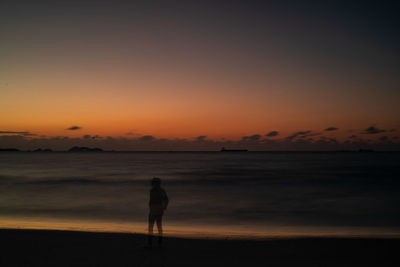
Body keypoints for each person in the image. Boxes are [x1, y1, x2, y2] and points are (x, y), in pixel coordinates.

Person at [148, 177, 169, 247]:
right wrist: (164, 207)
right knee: (155, 227)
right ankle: (154, 243)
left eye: (153, 183)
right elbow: (166, 199)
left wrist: (164, 207)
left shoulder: (159, 191)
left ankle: (156, 244)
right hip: (154, 210)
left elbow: (166, 199)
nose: (152, 184)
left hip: (156, 211)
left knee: (156, 227)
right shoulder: (154, 190)